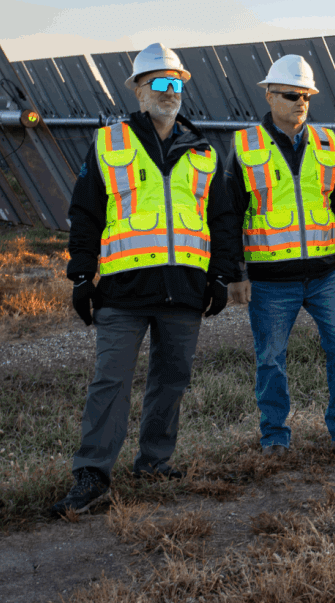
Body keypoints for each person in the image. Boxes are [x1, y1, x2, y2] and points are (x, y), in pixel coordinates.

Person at [52, 43, 241, 516]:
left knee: (171, 380)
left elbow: (221, 218)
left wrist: (221, 275)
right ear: (138, 91)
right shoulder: (108, 143)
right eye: (159, 82)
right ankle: (93, 475)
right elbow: (85, 213)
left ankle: (154, 462)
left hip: (184, 289)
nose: (170, 91)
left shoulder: (203, 150)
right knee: (110, 382)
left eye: (177, 82)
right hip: (123, 289)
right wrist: (80, 275)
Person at [226, 54, 335, 456]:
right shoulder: (245, 146)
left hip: (326, 275)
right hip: (271, 281)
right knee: (271, 361)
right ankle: (275, 436)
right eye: (292, 95)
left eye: (306, 95)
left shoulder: (328, 144)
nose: (300, 102)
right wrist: (235, 272)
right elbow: (229, 214)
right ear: (270, 95)